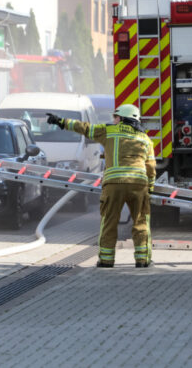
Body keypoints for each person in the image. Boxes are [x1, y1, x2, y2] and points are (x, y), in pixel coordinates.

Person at [47, 104, 156, 268]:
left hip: (114, 185)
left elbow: (84, 128)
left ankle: (106, 260)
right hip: (138, 185)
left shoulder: (109, 131)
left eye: (115, 117)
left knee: (109, 222)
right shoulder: (145, 139)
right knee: (141, 222)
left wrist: (61, 122)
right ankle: (143, 260)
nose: (113, 120)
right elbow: (151, 168)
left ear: (121, 118)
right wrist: (150, 189)